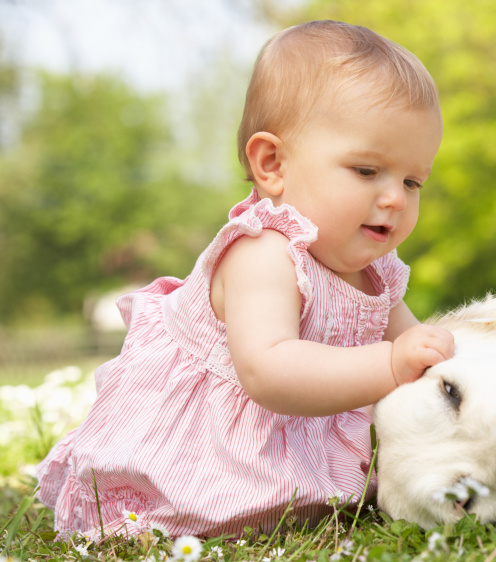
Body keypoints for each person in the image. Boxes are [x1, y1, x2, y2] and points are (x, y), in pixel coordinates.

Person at [35, 20, 455, 538]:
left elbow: (417, 346)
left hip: (294, 443)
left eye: (413, 181)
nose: (395, 198)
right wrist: (392, 363)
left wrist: (435, 357)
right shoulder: (263, 252)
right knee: (175, 516)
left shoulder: (378, 274)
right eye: (368, 171)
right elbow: (270, 370)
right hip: (206, 451)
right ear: (272, 163)